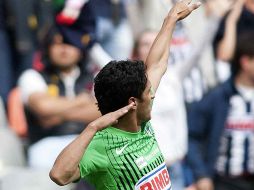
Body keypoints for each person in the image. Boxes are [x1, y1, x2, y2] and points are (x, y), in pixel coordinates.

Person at [49, 0, 201, 189]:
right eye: (148, 93)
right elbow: (59, 175)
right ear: (132, 102)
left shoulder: (141, 120)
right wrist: (93, 127)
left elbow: (157, 64)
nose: (152, 96)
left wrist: (171, 19)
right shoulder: (102, 144)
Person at [18, 25, 101, 168]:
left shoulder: (96, 77)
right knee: (41, 162)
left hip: (90, 141)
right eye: (57, 43)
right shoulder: (32, 76)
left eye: (70, 43)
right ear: (47, 48)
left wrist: (58, 115)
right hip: (47, 144)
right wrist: (81, 101)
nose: (64, 49)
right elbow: (43, 107)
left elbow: (104, 112)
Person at [187, 31, 254, 190]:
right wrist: (202, 175)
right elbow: (192, 137)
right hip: (224, 182)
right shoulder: (218, 97)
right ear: (245, 62)